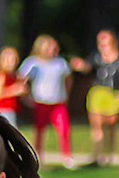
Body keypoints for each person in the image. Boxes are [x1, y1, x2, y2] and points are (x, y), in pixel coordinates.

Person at [18, 35, 76, 170]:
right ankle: (38, 157)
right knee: (39, 131)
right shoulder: (32, 62)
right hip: (41, 102)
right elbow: (22, 80)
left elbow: (68, 79)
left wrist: (66, 94)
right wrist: (26, 97)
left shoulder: (60, 63)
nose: (52, 50)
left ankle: (67, 156)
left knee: (64, 129)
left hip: (58, 102)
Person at [75, 30, 119, 167]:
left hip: (114, 94)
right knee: (97, 124)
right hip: (98, 92)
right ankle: (97, 155)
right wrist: (81, 66)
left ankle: (109, 154)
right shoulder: (96, 57)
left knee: (111, 124)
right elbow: (88, 68)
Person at [0, 46, 25, 126]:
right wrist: (15, 90)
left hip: (11, 110)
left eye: (13, 60)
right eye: (7, 60)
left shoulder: (14, 76)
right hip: (1, 110)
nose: (10, 63)